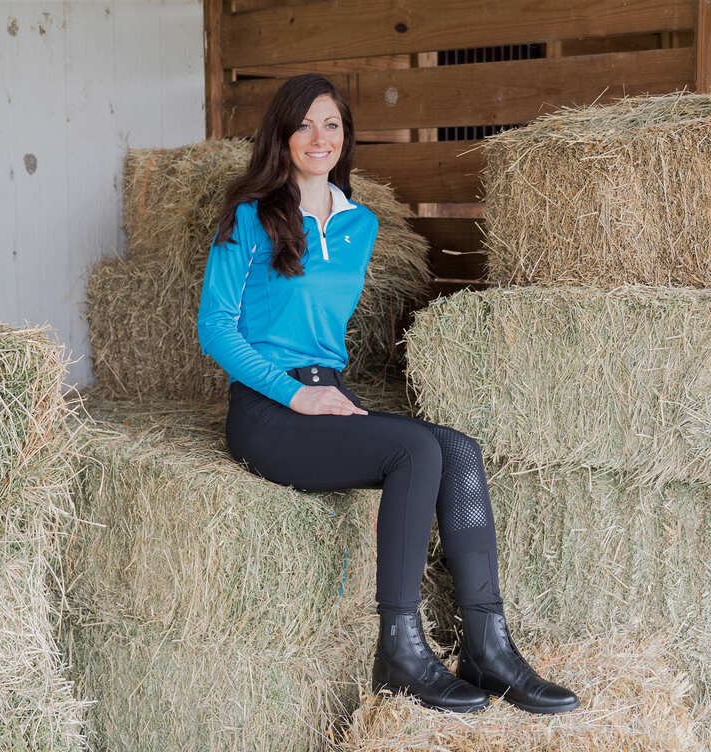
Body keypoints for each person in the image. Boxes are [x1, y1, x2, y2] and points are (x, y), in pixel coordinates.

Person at [197, 73, 579, 715]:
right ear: (282, 135)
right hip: (268, 411)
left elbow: (323, 333)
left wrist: (325, 394)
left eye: (333, 125)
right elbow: (215, 329)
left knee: (457, 448)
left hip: (327, 395)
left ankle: (487, 643)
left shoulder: (360, 226)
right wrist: (293, 396)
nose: (319, 138)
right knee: (412, 451)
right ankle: (399, 650)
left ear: (345, 138)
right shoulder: (250, 219)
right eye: (305, 124)